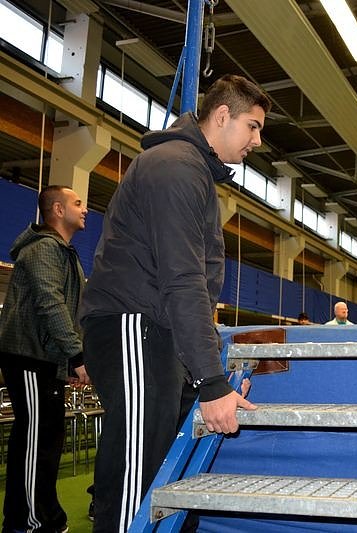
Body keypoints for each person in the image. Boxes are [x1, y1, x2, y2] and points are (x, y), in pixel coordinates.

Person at [78, 74, 269, 532]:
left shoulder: (192, 170)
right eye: (253, 126)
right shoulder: (177, 167)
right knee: (137, 481)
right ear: (222, 116)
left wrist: (205, 369)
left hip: (154, 330)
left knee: (162, 473)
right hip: (135, 325)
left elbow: (191, 283)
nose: (257, 141)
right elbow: (182, 277)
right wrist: (211, 381)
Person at [0, 185, 91, 533]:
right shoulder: (43, 249)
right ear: (57, 208)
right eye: (77, 203)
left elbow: (61, 308)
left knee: (45, 437)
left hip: (43, 359)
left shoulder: (60, 251)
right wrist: (76, 355)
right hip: (29, 358)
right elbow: (50, 304)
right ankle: (31, 521)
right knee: (37, 440)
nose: (84, 209)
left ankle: (37, 516)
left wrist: (65, 363)